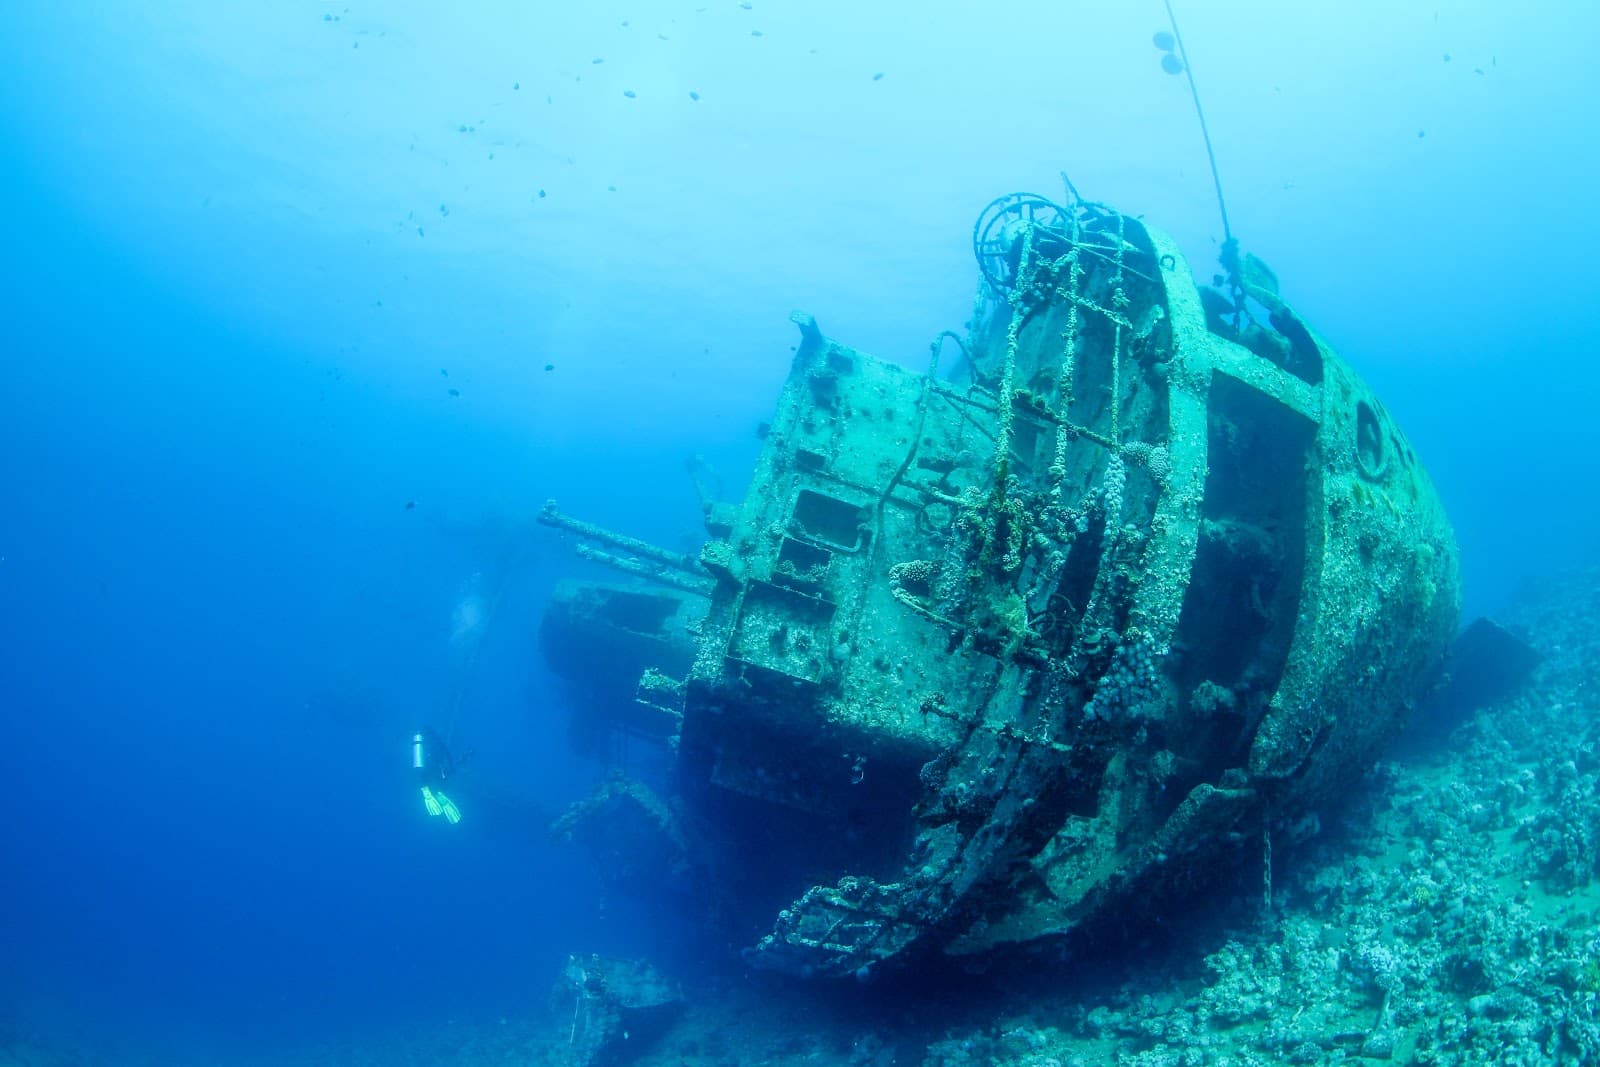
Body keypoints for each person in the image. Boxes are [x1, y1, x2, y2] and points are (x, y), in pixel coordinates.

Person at [412, 727, 462, 824]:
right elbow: (447, 754)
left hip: (424, 769)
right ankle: (437, 793)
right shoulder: (437, 740)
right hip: (435, 766)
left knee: (425, 777)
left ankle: (427, 793)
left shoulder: (419, 744)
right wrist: (451, 767)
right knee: (438, 779)